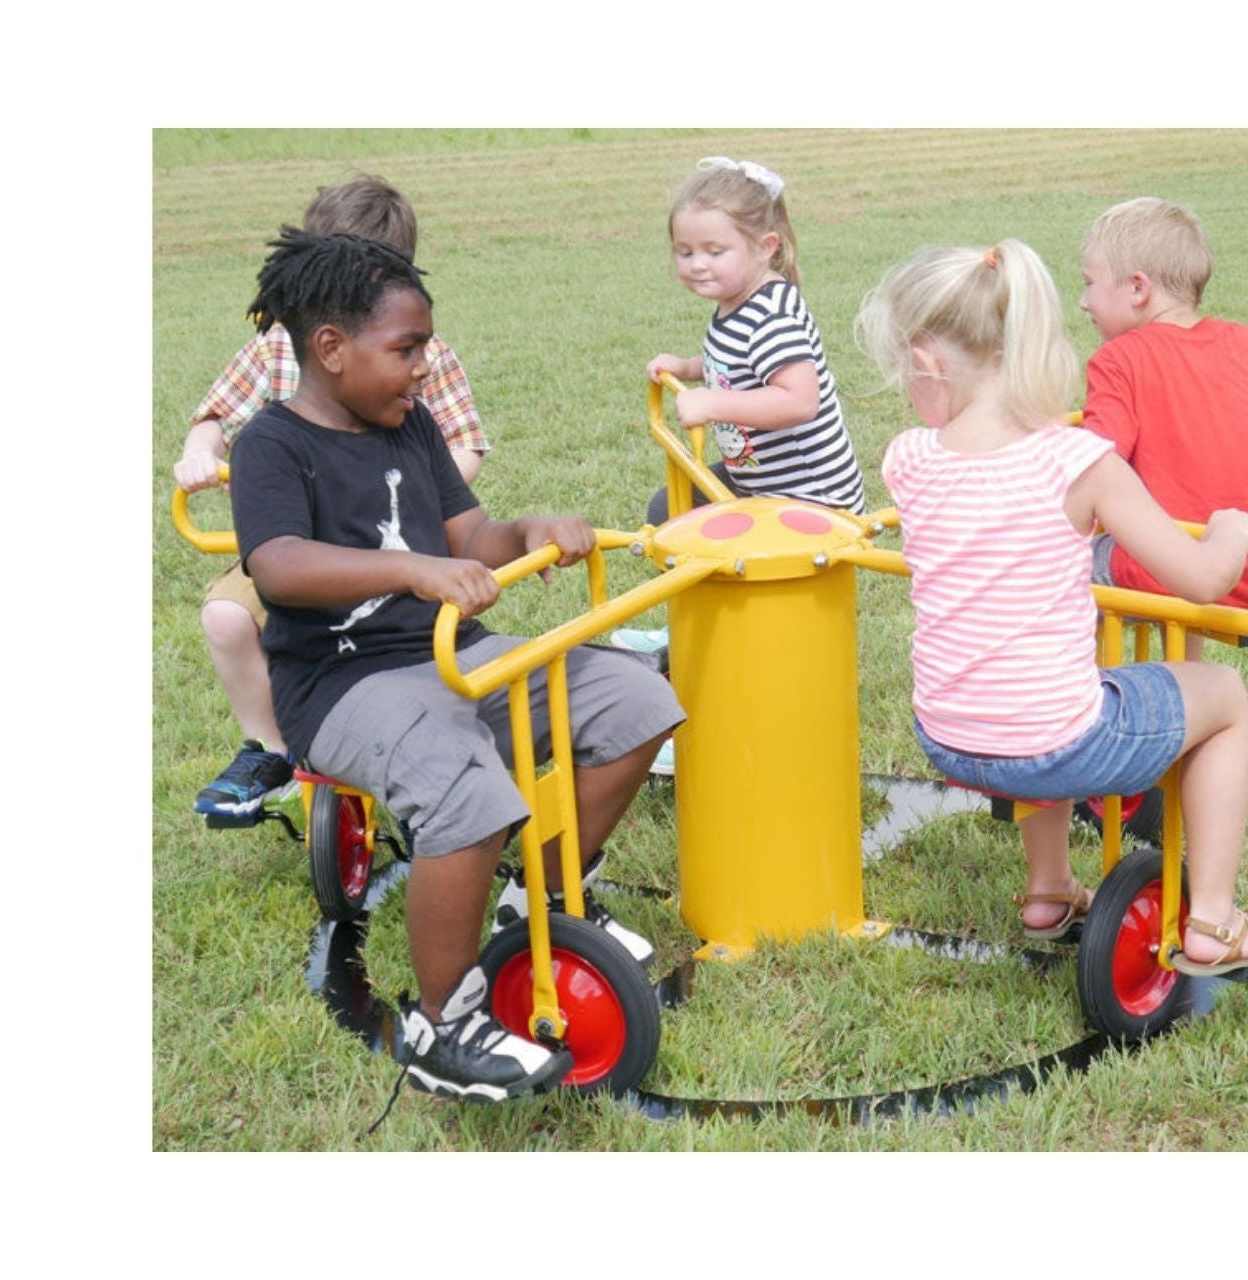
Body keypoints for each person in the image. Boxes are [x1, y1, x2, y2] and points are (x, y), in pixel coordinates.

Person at [229, 230, 682, 1101]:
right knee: (464, 788)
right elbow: (279, 564)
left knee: (634, 698)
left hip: (452, 655)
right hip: (345, 684)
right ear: (330, 349)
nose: (425, 369)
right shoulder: (272, 447)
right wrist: (409, 568)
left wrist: (527, 534)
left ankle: (538, 898)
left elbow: (470, 537)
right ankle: (446, 1024)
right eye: (406, 351)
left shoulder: (413, 427)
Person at [856, 239, 1248, 976]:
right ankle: (1215, 919)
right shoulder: (1077, 461)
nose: (906, 388)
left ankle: (1049, 891)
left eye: (903, 369)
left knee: (1041, 677)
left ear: (929, 362)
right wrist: (1233, 529)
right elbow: (1202, 580)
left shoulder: (909, 458)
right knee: (1223, 695)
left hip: (949, 734)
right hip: (1054, 740)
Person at [173, 174, 492, 820]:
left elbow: (465, 443)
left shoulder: (421, 355)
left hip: (392, 540)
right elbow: (215, 415)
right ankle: (272, 747)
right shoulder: (273, 350)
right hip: (292, 542)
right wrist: (201, 452)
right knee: (228, 616)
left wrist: (425, 497)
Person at [618, 157, 869, 751]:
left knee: (698, 533)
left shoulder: (774, 311)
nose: (698, 264)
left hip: (810, 494)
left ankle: (718, 661)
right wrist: (689, 368)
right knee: (668, 512)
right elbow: (732, 363)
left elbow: (797, 400)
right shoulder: (737, 304)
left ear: (765, 246)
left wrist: (714, 405)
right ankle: (689, 639)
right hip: (760, 480)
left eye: (713, 250)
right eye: (685, 251)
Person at [1076, 197, 1248, 637]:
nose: (1083, 302)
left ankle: (1082, 697)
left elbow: (1096, 465)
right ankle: (1184, 685)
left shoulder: (1119, 359)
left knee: (1057, 562)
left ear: (1138, 289)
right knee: (1177, 535)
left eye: (1089, 283)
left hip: (1173, 575)